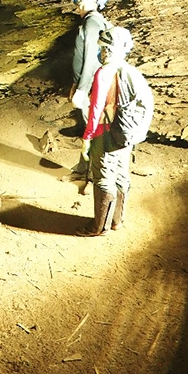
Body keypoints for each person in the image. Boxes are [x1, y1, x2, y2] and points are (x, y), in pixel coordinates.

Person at [77, 26, 135, 237]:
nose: (103, 53)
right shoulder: (129, 71)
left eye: (106, 49)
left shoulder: (104, 73)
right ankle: (116, 221)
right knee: (121, 175)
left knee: (103, 178)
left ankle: (98, 227)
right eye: (102, 49)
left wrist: (87, 137)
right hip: (125, 132)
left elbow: (96, 109)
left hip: (105, 132)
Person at [69, 0, 109, 121]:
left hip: (91, 82)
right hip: (88, 81)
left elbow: (92, 57)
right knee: (92, 121)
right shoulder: (91, 21)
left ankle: (98, 142)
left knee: (94, 123)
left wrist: (82, 89)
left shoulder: (92, 22)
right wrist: (76, 83)